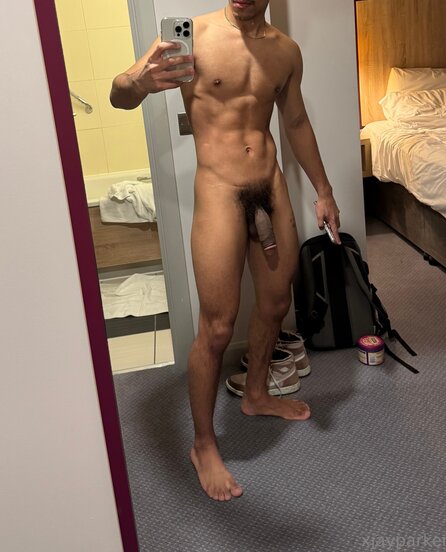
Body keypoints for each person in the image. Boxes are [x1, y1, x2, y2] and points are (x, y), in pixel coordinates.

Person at [111, 0, 341, 502]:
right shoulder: (190, 35)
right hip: (219, 190)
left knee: (276, 303)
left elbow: (296, 121)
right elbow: (119, 94)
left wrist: (324, 191)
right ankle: (203, 444)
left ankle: (256, 394)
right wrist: (139, 83)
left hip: (271, 185)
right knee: (217, 327)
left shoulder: (286, 51)